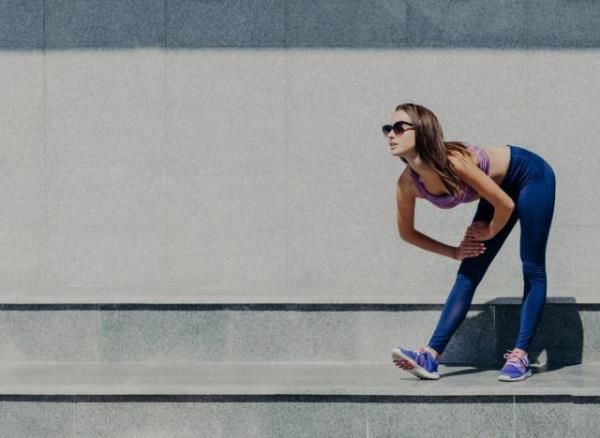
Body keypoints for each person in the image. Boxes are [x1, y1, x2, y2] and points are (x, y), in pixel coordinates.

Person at [385, 103, 556, 382]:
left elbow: (505, 203)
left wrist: (489, 231)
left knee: (532, 265)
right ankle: (430, 356)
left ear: (423, 131)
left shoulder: (454, 162)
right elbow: (407, 233)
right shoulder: (407, 183)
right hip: (497, 193)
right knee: (468, 272)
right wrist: (454, 252)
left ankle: (521, 356)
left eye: (399, 127)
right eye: (387, 129)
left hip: (529, 176)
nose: (391, 134)